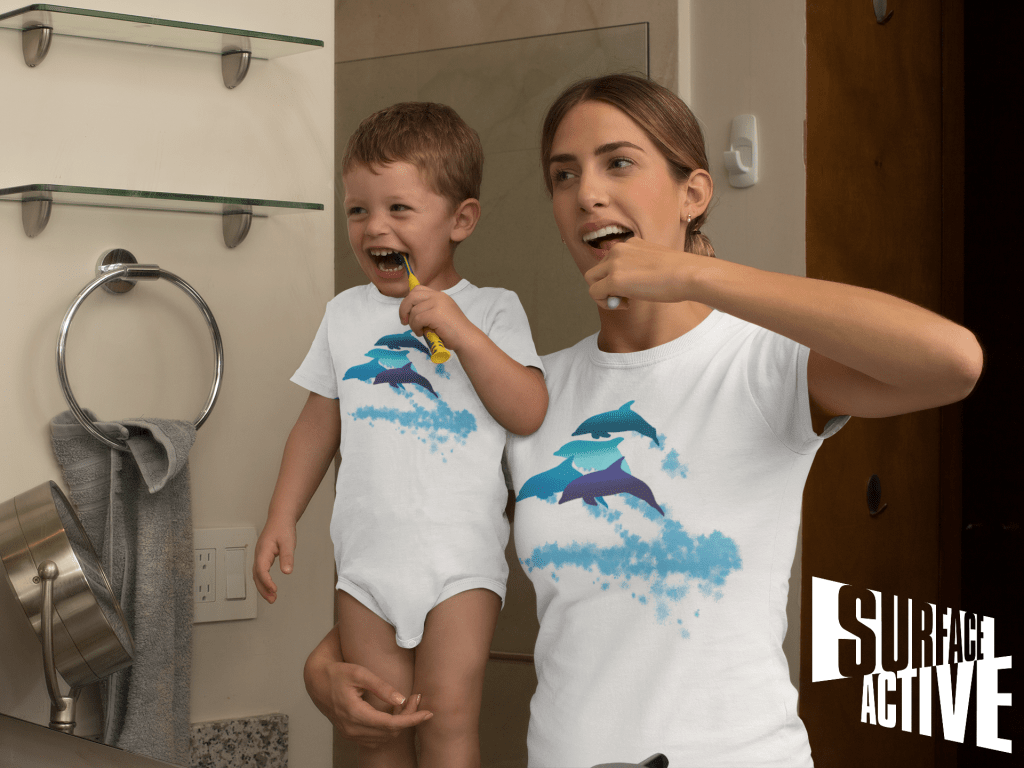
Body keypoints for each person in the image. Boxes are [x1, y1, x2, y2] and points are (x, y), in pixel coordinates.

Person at [302, 76, 983, 766]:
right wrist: (327, 665)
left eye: (617, 162)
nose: (587, 193)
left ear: (693, 195)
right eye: (563, 175)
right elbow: (431, 539)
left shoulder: (761, 367)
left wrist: (694, 277)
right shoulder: (532, 392)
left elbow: (952, 363)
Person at [253, 102, 548, 768]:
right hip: (365, 567)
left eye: (398, 210)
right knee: (378, 731)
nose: (373, 227)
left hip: (460, 567)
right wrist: (280, 515)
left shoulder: (495, 309)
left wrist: (460, 330)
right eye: (358, 210)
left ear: (461, 220)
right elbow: (317, 423)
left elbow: (528, 408)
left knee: (444, 727)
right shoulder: (345, 315)